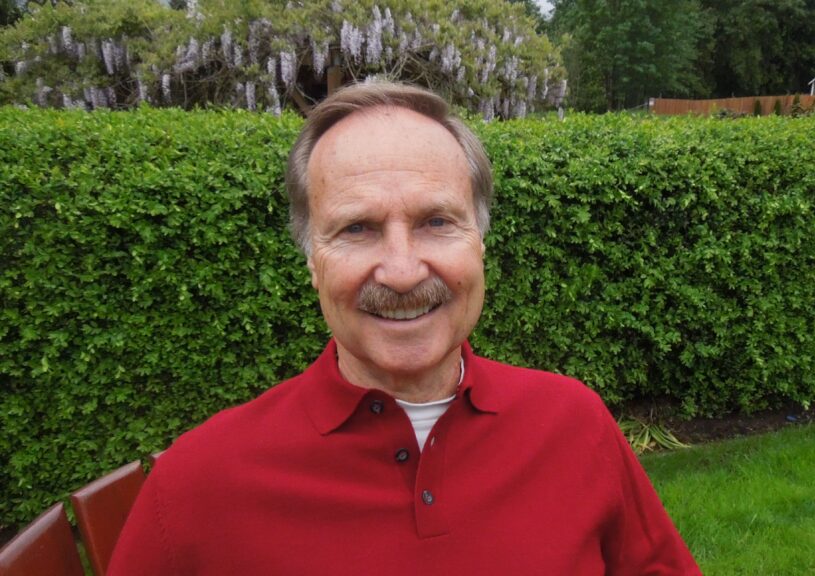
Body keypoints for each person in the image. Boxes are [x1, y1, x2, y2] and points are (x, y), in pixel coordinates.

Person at [108, 81, 702, 575]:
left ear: (481, 244)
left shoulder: (573, 424)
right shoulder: (196, 487)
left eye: (437, 221)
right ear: (312, 262)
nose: (400, 271)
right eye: (357, 229)